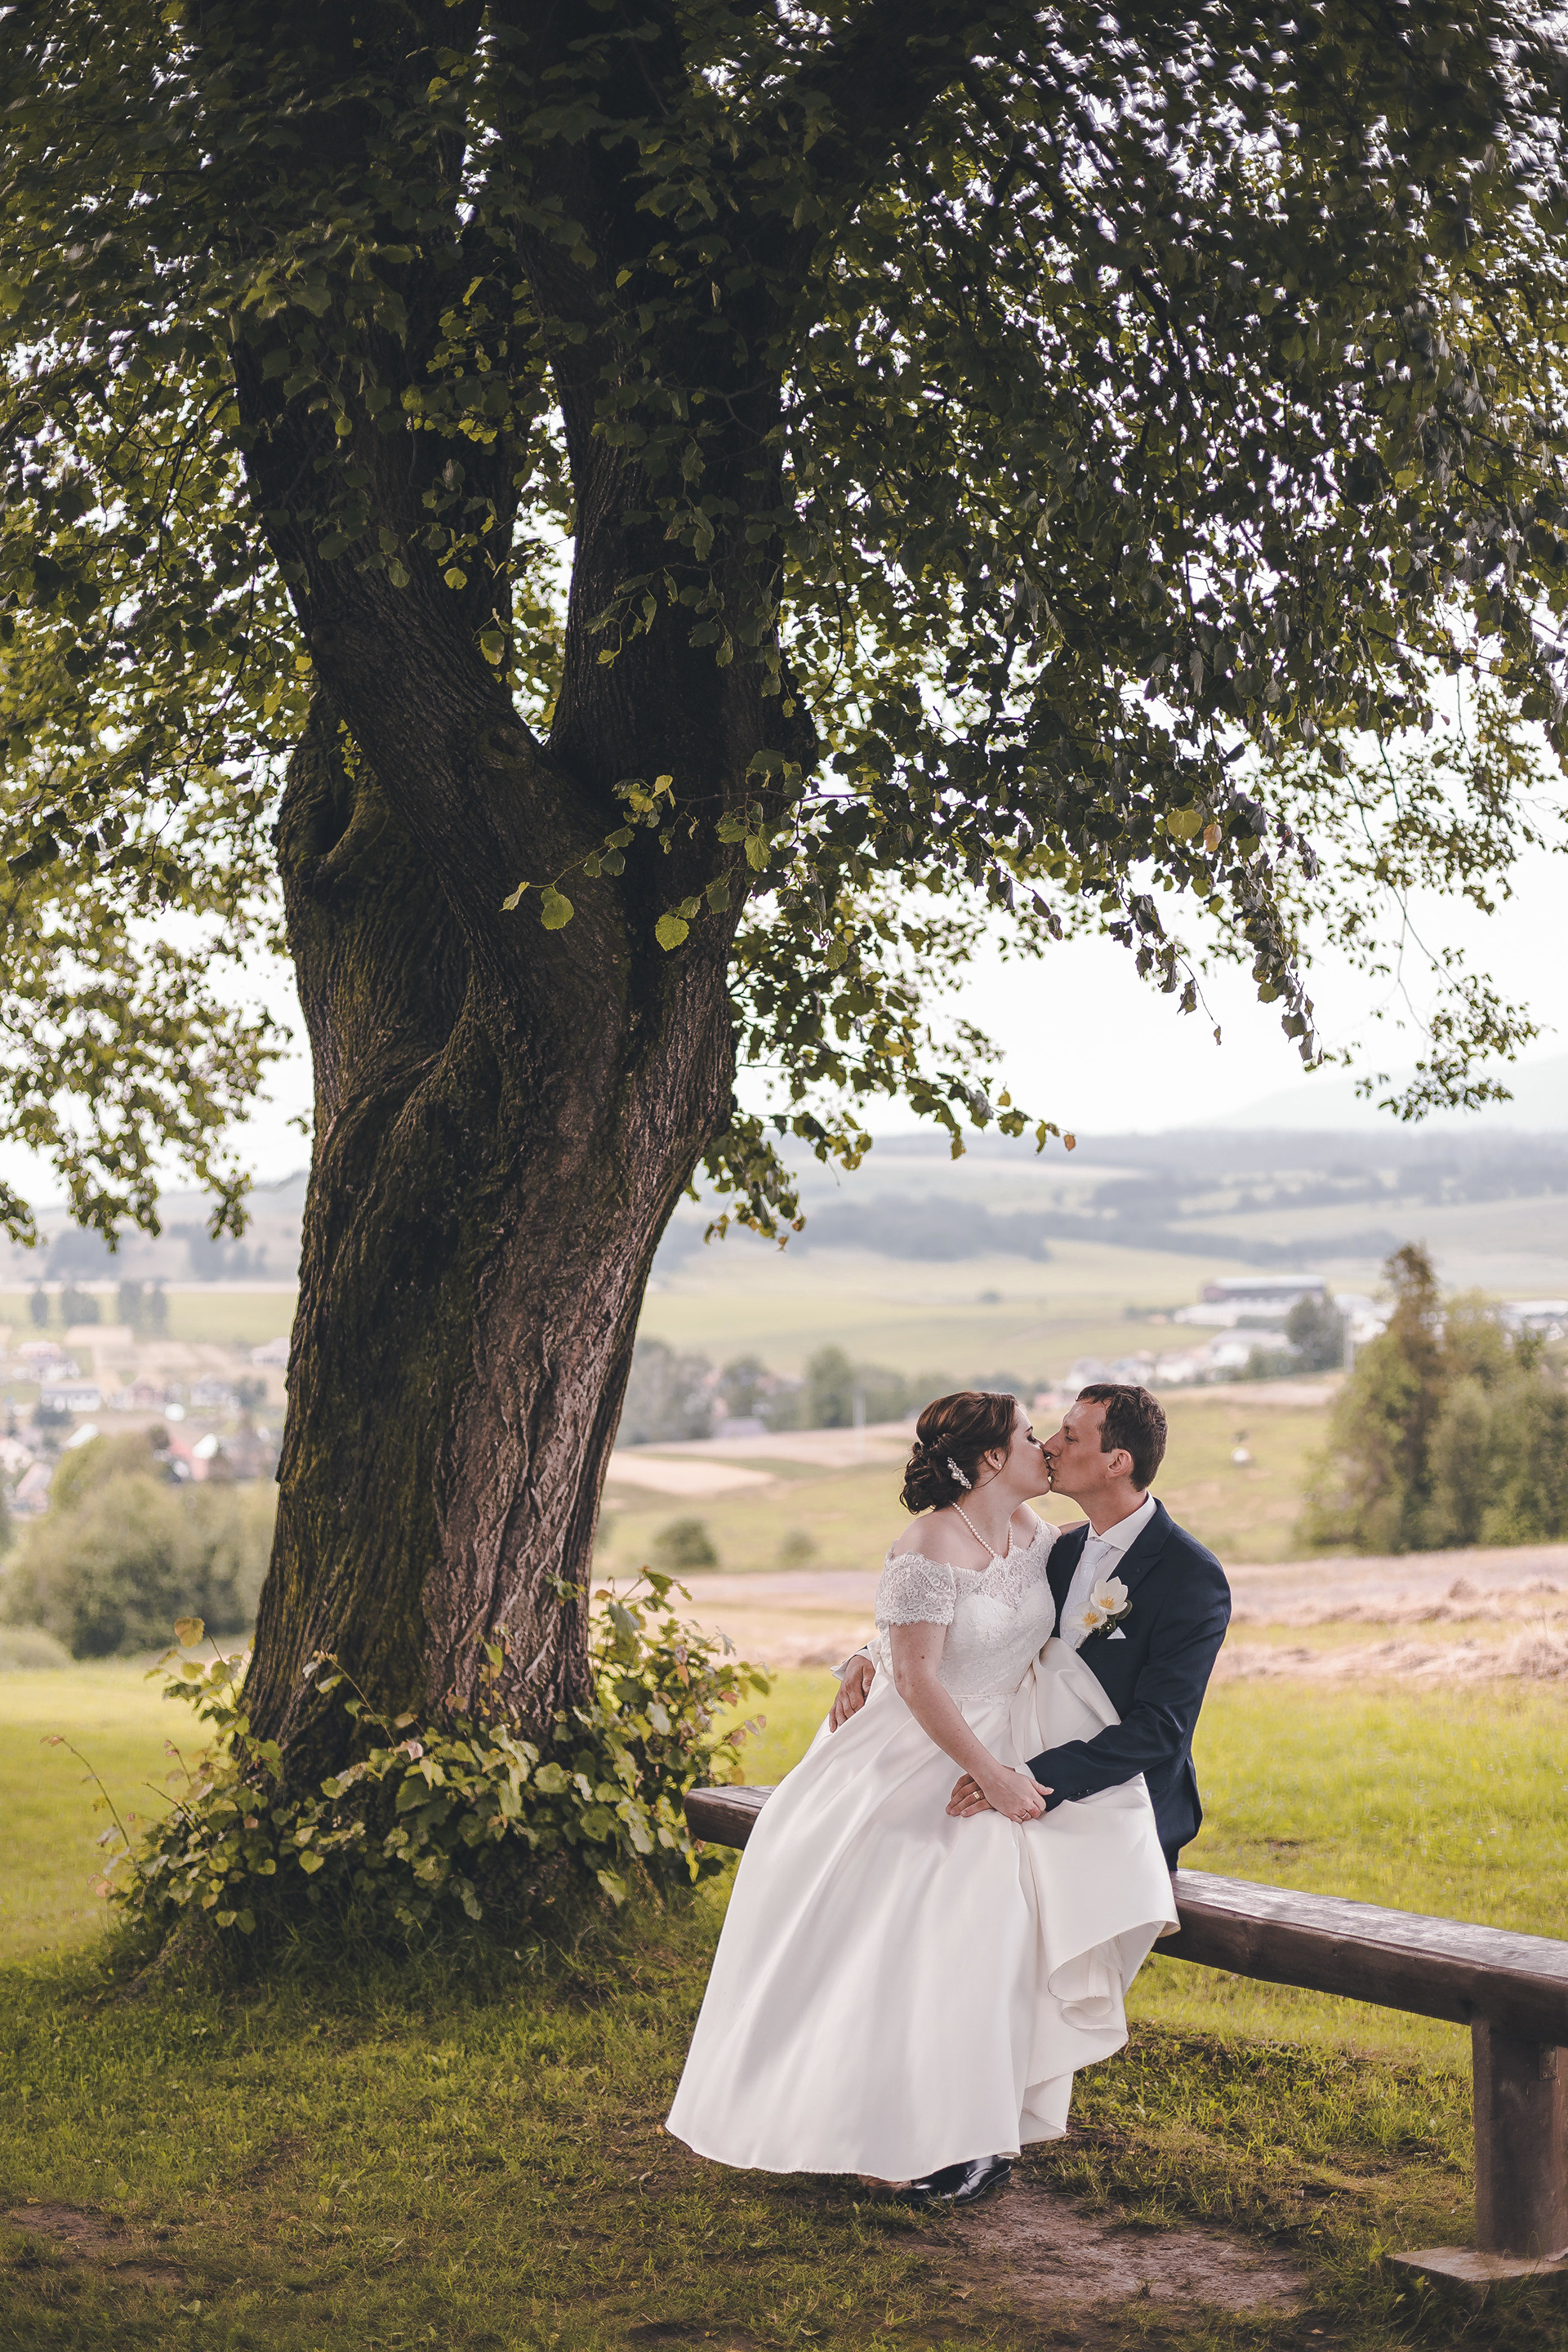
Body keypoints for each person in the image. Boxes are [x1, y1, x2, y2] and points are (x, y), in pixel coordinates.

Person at [666, 1389, 1177, 2207]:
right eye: (1030, 1435)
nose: (1045, 1445)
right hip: (918, 1750)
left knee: (986, 1914)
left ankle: (964, 2127)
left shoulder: (1037, 1536)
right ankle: (882, 2124)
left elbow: (954, 1632)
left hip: (1004, 1741)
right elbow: (916, 1672)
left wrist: (869, 1653)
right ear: (991, 1459)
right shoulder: (929, 1542)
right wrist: (983, 1764)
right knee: (914, 1905)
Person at [835, 1383, 1232, 1869]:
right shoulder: (1055, 1549)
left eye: (1070, 1436)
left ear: (1116, 1462)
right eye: (1041, 1434)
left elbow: (1161, 1728)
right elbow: (967, 1610)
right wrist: (875, 1652)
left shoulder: (1190, 1577)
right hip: (990, 1763)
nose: (1049, 1445)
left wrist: (1031, 1778)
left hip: (1114, 1796)